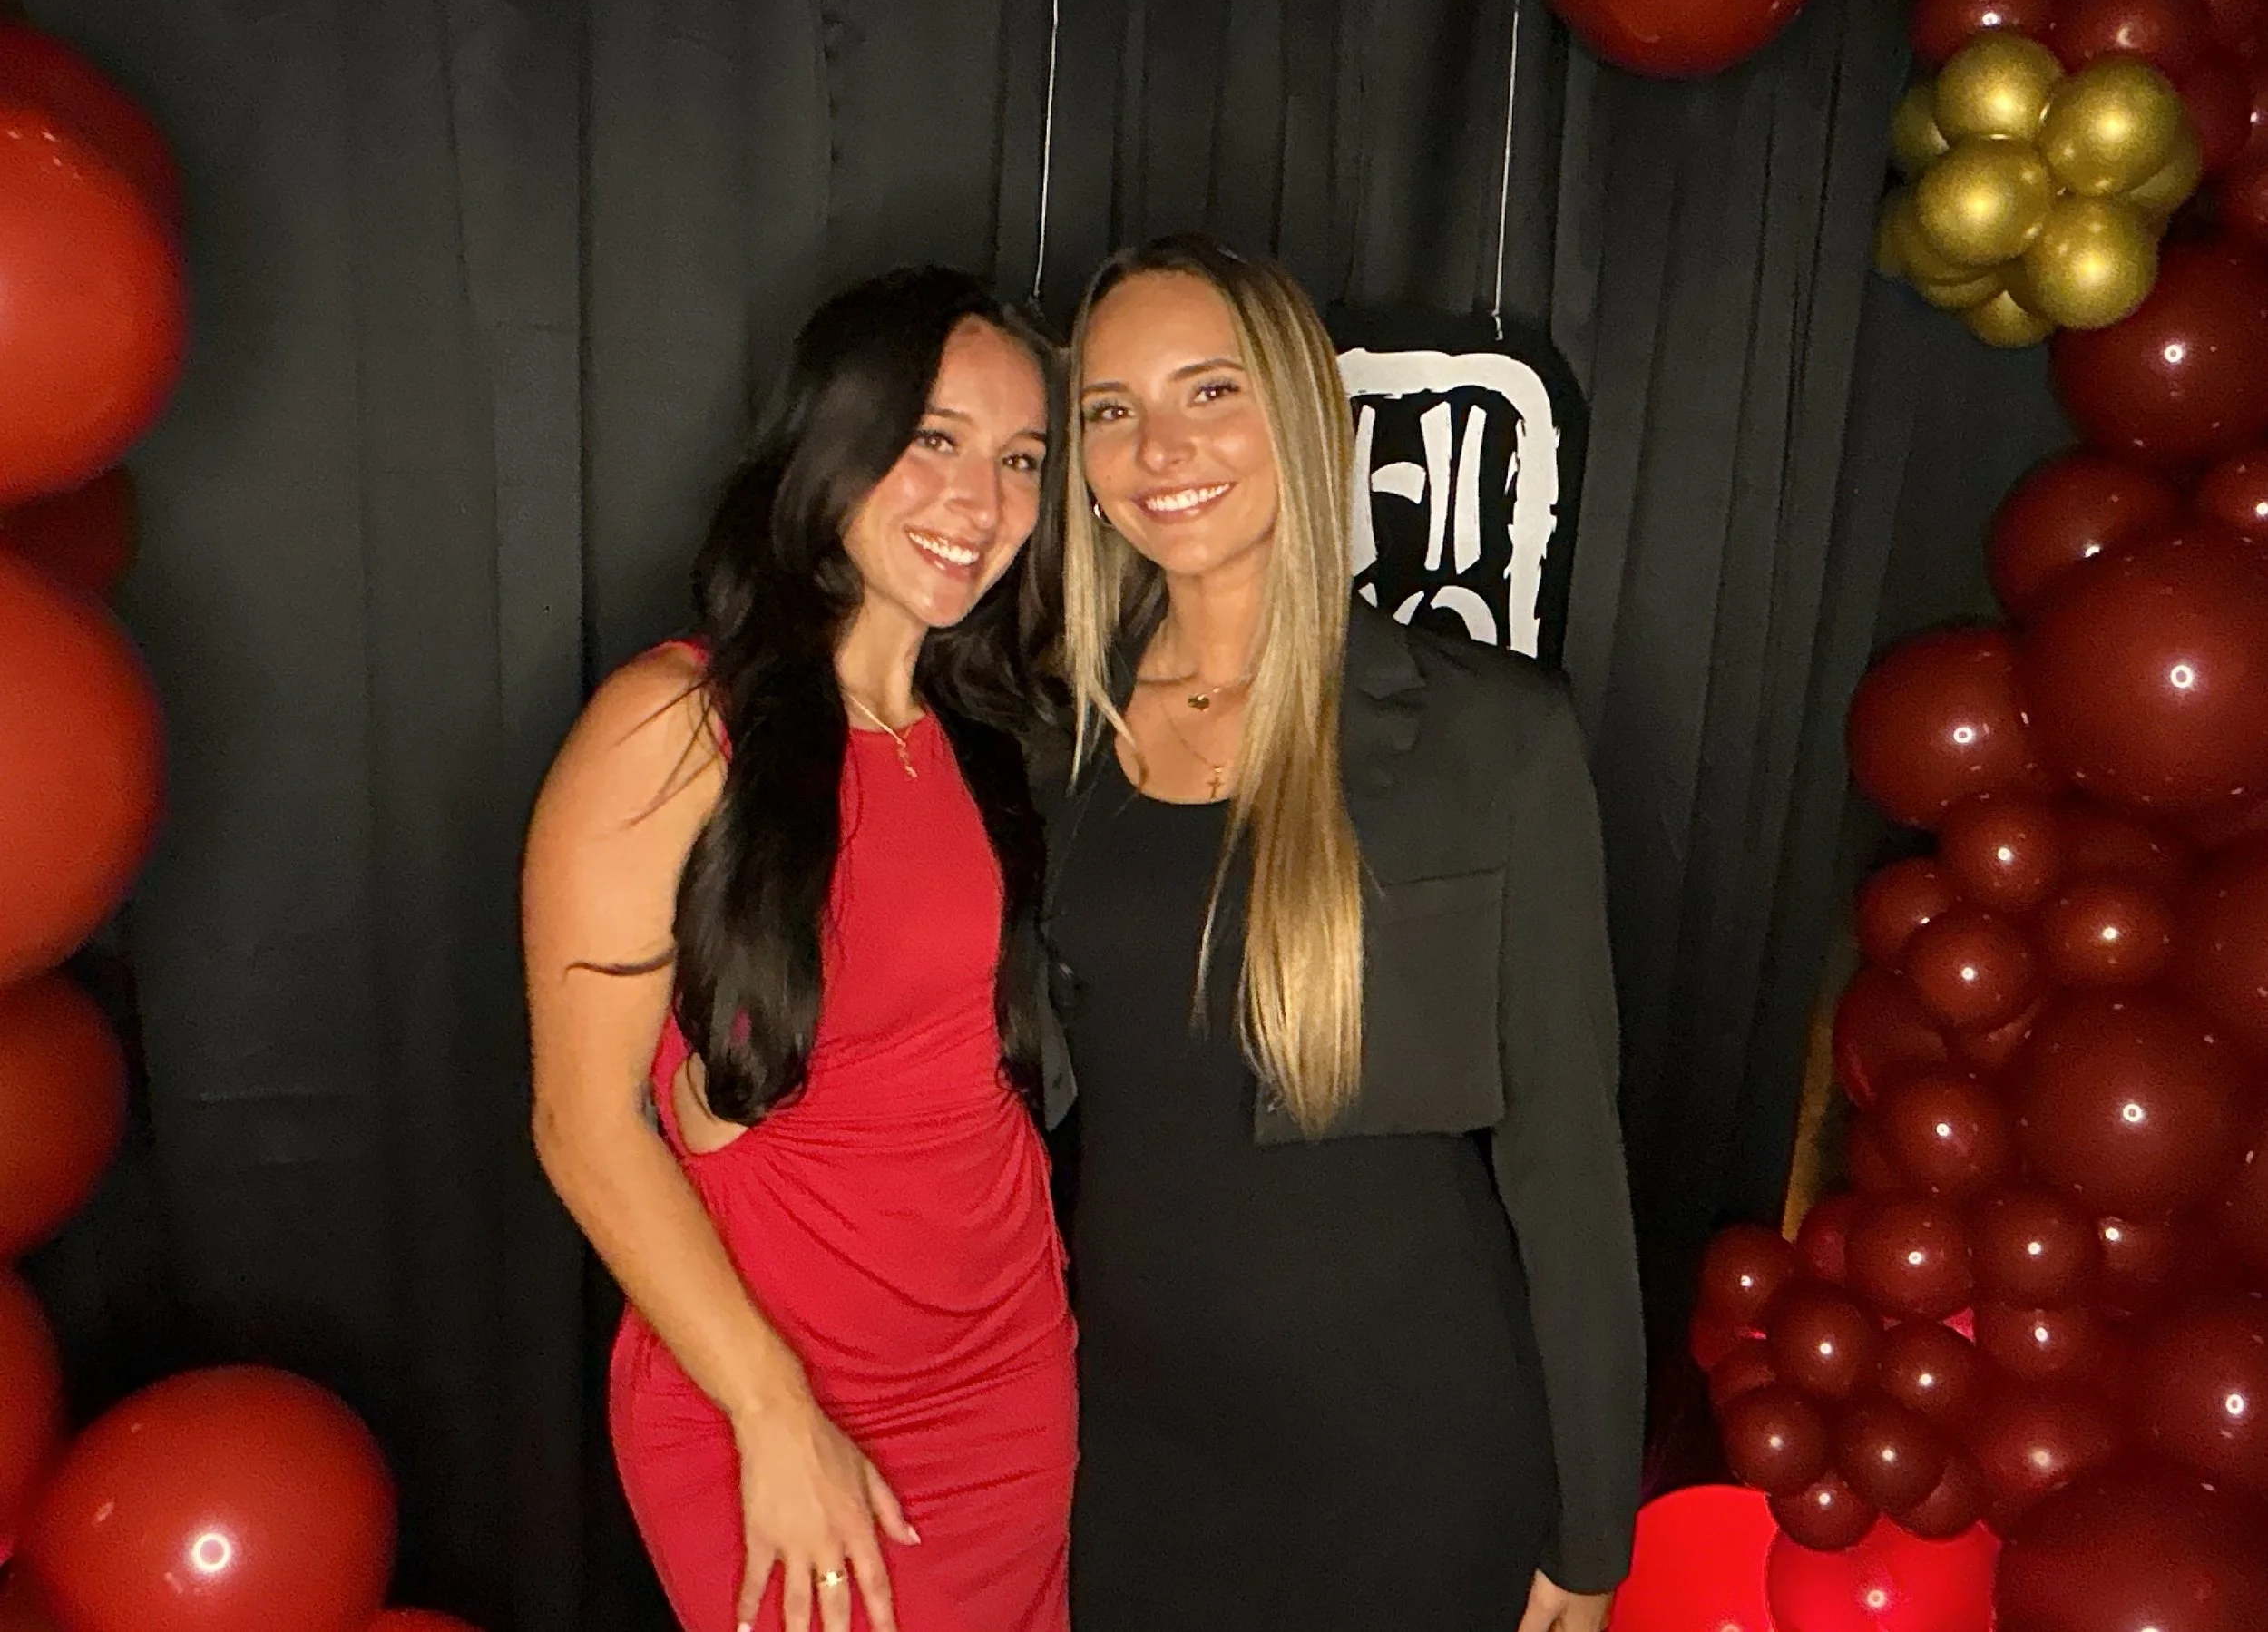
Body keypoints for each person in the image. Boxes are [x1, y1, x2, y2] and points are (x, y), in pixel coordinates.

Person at [1037, 234, 1643, 1632]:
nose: (1158, 446)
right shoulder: (1061, 734)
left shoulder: (1493, 735)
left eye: (1210, 391)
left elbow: (1567, 1150)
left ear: (1302, 410)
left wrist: (1593, 1518)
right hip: (1135, 1453)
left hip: (1409, 1454)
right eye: (1111, 409)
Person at [523, 268, 1074, 1632]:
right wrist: (776, 1416)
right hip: (773, 1397)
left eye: (1021, 460)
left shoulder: (985, 736)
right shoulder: (675, 726)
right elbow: (583, 1124)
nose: (982, 501)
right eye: (934, 439)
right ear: (834, 441)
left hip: (1010, 1377)